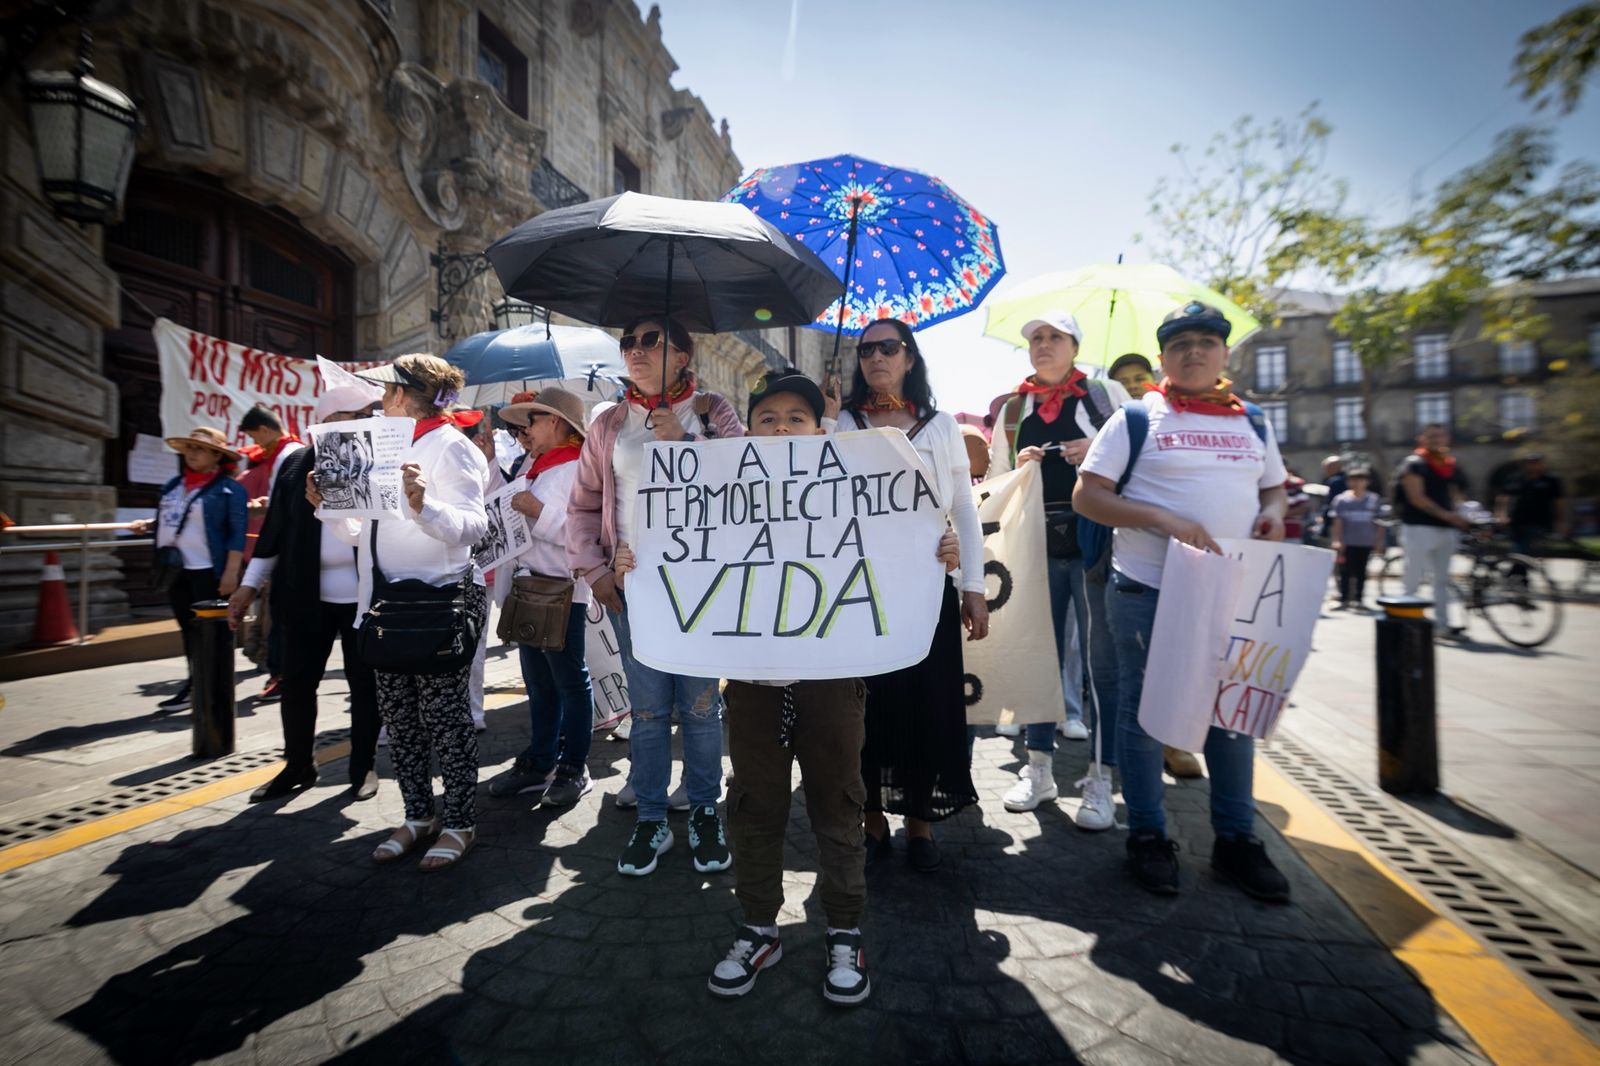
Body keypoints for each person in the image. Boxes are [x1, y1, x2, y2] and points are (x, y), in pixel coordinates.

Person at [1074, 301, 1291, 901]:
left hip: (1234, 590)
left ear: (1224, 353)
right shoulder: (1138, 419)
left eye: (1206, 341)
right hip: (1147, 590)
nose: (1194, 351)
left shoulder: (1255, 421)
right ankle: (1147, 834)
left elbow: (1273, 488)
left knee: (1230, 715)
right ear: (1165, 356)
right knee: (1147, 715)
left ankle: (1236, 840)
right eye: (1180, 343)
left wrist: (1273, 515)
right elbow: (1089, 496)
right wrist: (1160, 518)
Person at [567, 316, 744, 877]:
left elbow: (747, 483)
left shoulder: (715, 412)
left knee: (700, 708)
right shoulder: (608, 423)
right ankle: (649, 818)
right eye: (629, 342)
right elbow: (583, 505)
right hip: (634, 593)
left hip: (701, 591)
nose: (635, 351)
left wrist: (686, 443)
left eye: (651, 341)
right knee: (645, 713)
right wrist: (595, 572)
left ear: (684, 356)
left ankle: (704, 812)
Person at [313, 354, 489, 872]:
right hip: (385, 605)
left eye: (383, 390)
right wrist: (325, 506)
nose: (377, 400)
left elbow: (474, 526)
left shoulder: (450, 446)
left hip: (437, 602)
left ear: (398, 395)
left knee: (446, 720)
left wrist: (422, 503)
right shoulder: (381, 447)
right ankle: (418, 815)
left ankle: (459, 821)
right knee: (402, 722)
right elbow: (359, 533)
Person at [836, 318, 987, 872]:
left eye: (888, 348)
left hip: (929, 591)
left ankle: (919, 821)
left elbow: (964, 508)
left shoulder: (942, 425)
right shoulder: (844, 423)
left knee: (929, 705)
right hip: (864, 596)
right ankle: (872, 818)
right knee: (868, 711)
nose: (876, 357)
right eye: (866, 349)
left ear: (909, 358)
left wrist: (972, 585)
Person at [984, 312, 1132, 827]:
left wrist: (1097, 449)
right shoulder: (1012, 408)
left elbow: (1138, 455)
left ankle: (1100, 781)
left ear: (1075, 345)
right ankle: (1039, 769)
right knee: (1037, 659)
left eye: (1055, 338)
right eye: (1036, 339)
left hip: (1094, 544)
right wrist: (1020, 465)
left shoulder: (1105, 396)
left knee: (1099, 665)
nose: (1043, 346)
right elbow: (996, 479)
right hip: (1035, 547)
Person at [229, 385, 383, 802]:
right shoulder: (296, 464)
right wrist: (247, 587)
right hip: (303, 598)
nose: (369, 420)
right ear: (331, 420)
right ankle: (298, 765)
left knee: (365, 685)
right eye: (359, 415)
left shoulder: (376, 464)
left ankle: (362, 765)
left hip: (364, 601)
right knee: (297, 683)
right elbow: (274, 533)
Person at [486, 388, 596, 807]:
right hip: (532, 587)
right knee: (539, 681)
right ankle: (541, 760)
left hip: (561, 590)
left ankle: (573, 766)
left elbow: (586, 537)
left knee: (568, 681)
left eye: (531, 421)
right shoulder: (538, 467)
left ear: (555, 422)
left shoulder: (575, 469)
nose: (524, 430)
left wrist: (538, 512)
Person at [132, 427, 248, 713]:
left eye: (199, 449)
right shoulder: (172, 484)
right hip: (176, 569)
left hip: (209, 570)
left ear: (216, 456)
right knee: (189, 630)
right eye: (188, 448)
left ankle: (215, 688)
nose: (191, 453)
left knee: (215, 632)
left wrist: (231, 572)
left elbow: (237, 532)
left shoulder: (230, 489)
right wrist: (150, 524)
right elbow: (173, 517)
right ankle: (194, 683)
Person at [236, 406, 305, 701]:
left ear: (264, 429)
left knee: (279, 619)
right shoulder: (282, 453)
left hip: (285, 548)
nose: (256, 442)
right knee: (273, 617)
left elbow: (285, 509)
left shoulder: (290, 453)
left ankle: (282, 675)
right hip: (278, 546)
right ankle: (279, 672)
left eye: (254, 435)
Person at [1397, 424, 1472, 638]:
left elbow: (1457, 494)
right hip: (1419, 527)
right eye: (1431, 436)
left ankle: (1442, 625)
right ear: (1422, 439)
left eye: (1440, 435)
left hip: (1445, 530)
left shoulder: (1450, 465)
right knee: (1413, 578)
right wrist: (1450, 516)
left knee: (1442, 580)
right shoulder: (1414, 463)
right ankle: (1404, 623)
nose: (1436, 440)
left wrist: (1461, 512)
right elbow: (1416, 497)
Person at [1328, 466, 1383, 610]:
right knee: (1344, 571)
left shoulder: (1374, 499)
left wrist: (1379, 541)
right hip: (1347, 542)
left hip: (1365, 541)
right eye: (1353, 480)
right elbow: (1337, 522)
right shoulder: (1341, 500)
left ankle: (1359, 599)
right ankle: (1344, 598)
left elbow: (1380, 523)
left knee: (1362, 571)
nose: (1357, 483)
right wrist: (1337, 540)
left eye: (1361, 480)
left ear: (1367, 482)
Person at [1498, 453, 1567, 558]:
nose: (1533, 466)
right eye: (1530, 463)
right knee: (1519, 548)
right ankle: (1519, 569)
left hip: (1540, 521)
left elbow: (1558, 502)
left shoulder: (1551, 480)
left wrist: (1561, 521)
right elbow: (1504, 497)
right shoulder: (1517, 478)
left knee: (1526, 548)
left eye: (1537, 463)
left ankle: (1519, 569)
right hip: (1517, 520)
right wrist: (1502, 514)